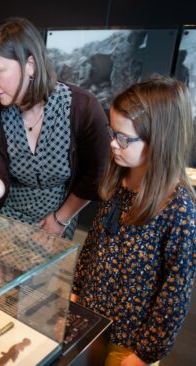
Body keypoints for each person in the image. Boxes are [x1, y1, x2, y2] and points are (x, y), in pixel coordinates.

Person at [72, 75, 196, 366]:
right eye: (112, 133)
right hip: (93, 319)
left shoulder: (179, 210)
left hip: (130, 342)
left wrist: (143, 354)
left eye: (124, 138)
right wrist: (77, 291)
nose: (113, 144)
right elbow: (93, 243)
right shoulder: (118, 181)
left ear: (159, 141)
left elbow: (174, 294)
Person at [0, 17, 109, 239]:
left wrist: (60, 219)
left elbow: (95, 175)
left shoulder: (82, 107)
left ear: (30, 65)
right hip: (5, 219)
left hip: (59, 220)